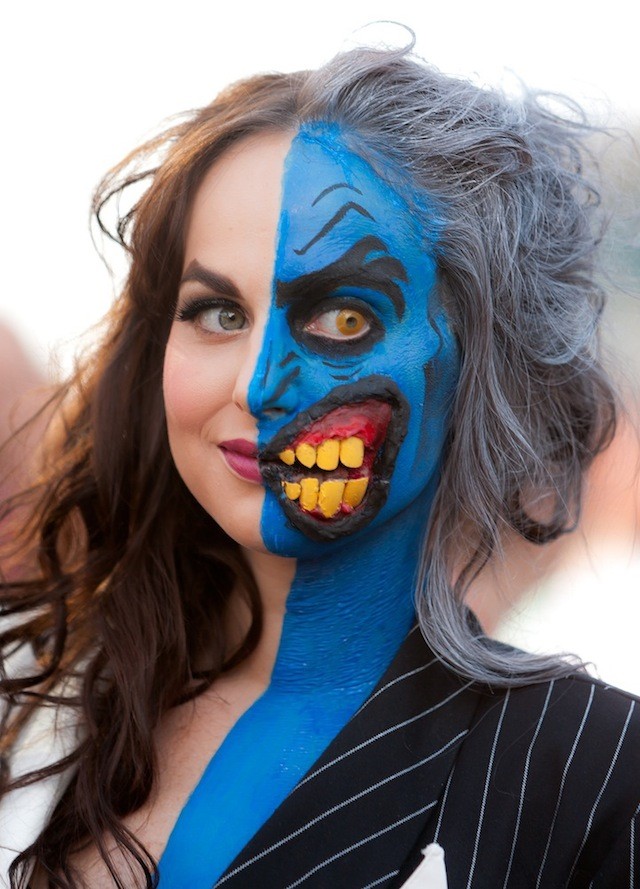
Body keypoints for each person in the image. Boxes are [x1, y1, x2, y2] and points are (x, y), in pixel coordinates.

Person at [1, 42, 639, 889]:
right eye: (218, 312)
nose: (256, 384)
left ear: (477, 361)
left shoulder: (595, 780)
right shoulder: (44, 705)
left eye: (343, 318)